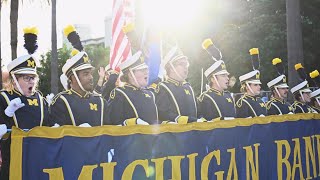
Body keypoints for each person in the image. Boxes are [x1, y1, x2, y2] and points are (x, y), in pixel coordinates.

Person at [0, 27, 49, 180]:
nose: (32, 82)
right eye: (26, 78)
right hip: (11, 164)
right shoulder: (3, 97)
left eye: (33, 78)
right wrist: (6, 115)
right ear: (14, 80)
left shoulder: (42, 100)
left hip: (39, 162)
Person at [49, 25, 107, 126]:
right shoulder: (61, 101)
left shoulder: (100, 101)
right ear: (73, 77)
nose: (91, 77)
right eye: (86, 74)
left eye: (90, 73)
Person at [105, 51, 158, 125]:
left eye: (146, 69)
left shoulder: (150, 94)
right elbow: (113, 123)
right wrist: (131, 123)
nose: (147, 72)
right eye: (142, 70)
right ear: (130, 74)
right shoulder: (120, 93)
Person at [155, 43, 203, 124]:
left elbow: (198, 111)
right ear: (171, 68)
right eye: (182, 64)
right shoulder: (163, 87)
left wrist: (201, 119)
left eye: (186, 64)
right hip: (176, 134)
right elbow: (163, 114)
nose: (186, 67)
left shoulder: (188, 87)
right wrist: (187, 120)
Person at [197, 39, 236, 120]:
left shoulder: (228, 95)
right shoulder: (205, 97)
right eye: (223, 75)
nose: (227, 78)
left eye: (227, 75)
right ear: (213, 79)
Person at [236, 48, 267, 118]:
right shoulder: (242, 103)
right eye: (255, 85)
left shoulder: (260, 101)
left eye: (259, 84)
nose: (259, 87)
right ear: (247, 87)